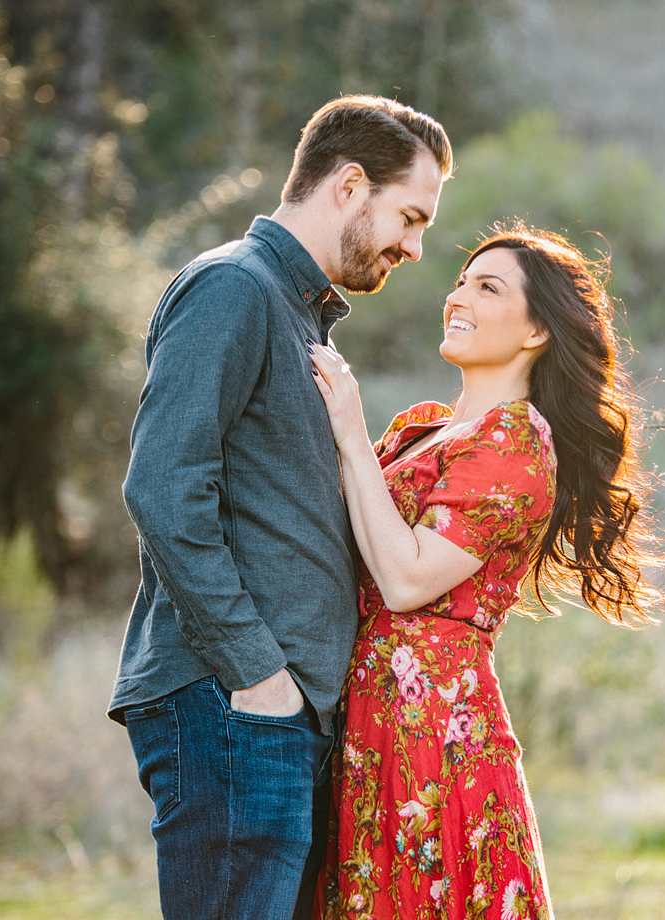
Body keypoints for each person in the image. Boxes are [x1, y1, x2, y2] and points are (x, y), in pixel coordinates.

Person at [110, 95, 450, 919]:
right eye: (409, 217)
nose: (412, 245)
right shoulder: (234, 288)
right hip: (232, 705)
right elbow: (162, 488)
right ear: (348, 184)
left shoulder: (303, 318)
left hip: (279, 716)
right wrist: (259, 675)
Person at [305, 222, 661, 919]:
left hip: (436, 732)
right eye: (461, 280)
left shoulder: (517, 442)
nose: (457, 296)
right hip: (367, 724)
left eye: (488, 286)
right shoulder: (427, 428)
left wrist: (349, 432)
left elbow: (406, 580)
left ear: (535, 332)